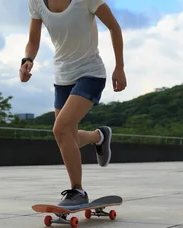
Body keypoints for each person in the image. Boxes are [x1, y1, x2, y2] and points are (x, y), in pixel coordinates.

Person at [20, 0, 127, 207]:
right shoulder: (36, 2)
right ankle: (99, 136)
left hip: (90, 73)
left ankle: (77, 190)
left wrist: (119, 67)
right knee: (67, 137)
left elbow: (114, 26)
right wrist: (27, 60)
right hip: (62, 77)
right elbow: (33, 40)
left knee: (60, 129)